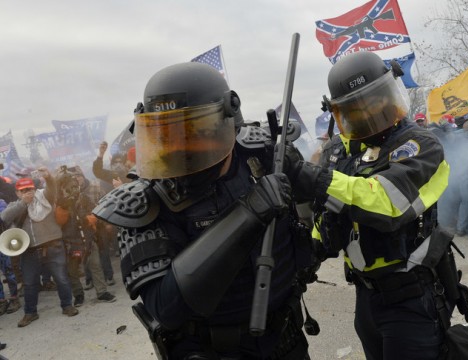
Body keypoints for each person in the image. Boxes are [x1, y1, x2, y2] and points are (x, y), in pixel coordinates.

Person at [93, 62, 316, 359]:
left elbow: (318, 196)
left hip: (288, 340)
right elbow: (166, 306)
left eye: (194, 133)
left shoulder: (261, 154)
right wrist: (249, 214)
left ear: (227, 123)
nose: (182, 148)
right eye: (168, 137)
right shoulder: (144, 200)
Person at [283, 52, 468, 359]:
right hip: (366, 295)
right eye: (357, 108)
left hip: (412, 299)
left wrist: (314, 179)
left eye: (377, 100)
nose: (371, 112)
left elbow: (388, 202)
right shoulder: (336, 150)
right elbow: (326, 217)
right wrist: (305, 258)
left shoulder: (422, 145)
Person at [0, 171, 78, 328]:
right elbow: (5, 217)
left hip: (53, 246)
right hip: (29, 251)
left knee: (61, 278)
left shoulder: (45, 197)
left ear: (34, 189)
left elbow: (52, 189)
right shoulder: (15, 205)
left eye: (30, 189)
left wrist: (49, 177)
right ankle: (30, 312)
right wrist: (23, 203)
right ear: (17, 192)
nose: (27, 192)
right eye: (23, 191)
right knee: (29, 283)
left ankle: (67, 305)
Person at [54, 167, 116, 307]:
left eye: (74, 185)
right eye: (69, 186)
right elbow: (59, 222)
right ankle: (78, 295)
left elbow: (96, 212)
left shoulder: (84, 198)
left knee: (96, 265)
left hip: (87, 238)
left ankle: (102, 292)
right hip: (70, 242)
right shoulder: (59, 203)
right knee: (72, 272)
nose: (73, 189)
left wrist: (89, 219)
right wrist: (63, 207)